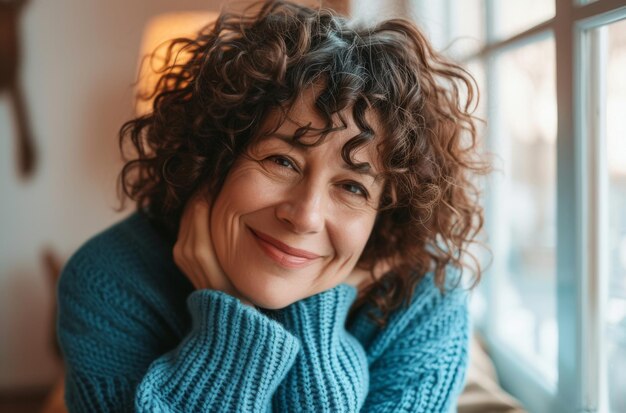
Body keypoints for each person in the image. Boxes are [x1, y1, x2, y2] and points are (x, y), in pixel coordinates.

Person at [57, 1, 489, 411]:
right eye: (281, 161)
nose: (305, 216)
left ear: (386, 211)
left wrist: (311, 320)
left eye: (353, 187)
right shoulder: (110, 283)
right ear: (215, 157)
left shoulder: (426, 298)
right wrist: (230, 332)